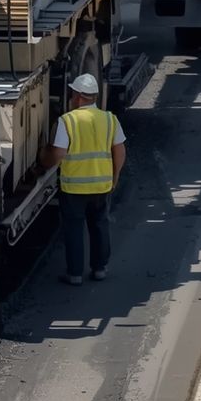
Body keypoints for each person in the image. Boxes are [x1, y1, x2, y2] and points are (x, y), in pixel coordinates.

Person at [40, 73, 126, 286]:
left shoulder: (67, 121)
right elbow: (120, 150)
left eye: (72, 94)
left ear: (78, 96)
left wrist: (43, 162)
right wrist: (115, 177)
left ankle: (75, 274)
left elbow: (58, 154)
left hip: (74, 188)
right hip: (102, 186)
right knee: (99, 225)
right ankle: (99, 269)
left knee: (74, 229)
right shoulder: (109, 119)